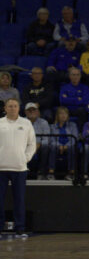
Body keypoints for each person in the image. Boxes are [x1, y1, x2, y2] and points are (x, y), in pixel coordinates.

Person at [0, 98, 36, 237]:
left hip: (20, 168)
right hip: (1, 167)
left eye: (15, 106)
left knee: (19, 200)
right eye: (10, 106)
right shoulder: (0, 123)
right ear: (5, 108)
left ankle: (20, 228)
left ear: (19, 108)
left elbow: (32, 144)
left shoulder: (26, 123)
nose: (12, 108)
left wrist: (25, 158)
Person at [48, 106, 79, 179]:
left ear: (68, 115)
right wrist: (59, 146)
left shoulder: (72, 125)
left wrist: (66, 146)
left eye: (65, 114)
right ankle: (51, 172)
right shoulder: (52, 127)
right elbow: (51, 139)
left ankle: (71, 173)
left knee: (72, 147)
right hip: (57, 145)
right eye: (61, 113)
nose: (63, 115)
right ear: (57, 116)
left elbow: (74, 138)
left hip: (68, 145)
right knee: (52, 147)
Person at [23, 103, 49, 178]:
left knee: (45, 145)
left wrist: (38, 144)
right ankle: (22, 170)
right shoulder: (21, 122)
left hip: (39, 145)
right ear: (25, 112)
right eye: (29, 110)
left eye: (34, 110)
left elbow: (46, 138)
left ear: (38, 111)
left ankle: (41, 171)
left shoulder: (44, 122)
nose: (31, 112)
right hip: (25, 144)